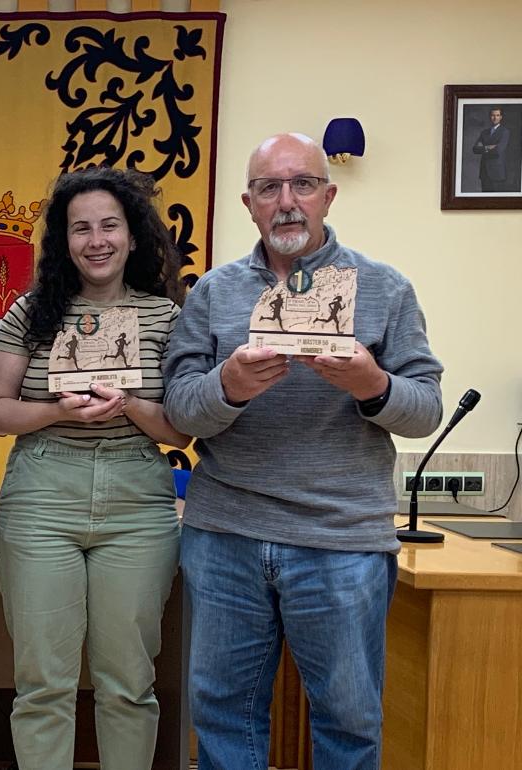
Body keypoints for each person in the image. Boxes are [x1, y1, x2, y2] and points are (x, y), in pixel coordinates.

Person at [164, 132, 443, 770]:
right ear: (249, 203)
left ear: (328, 195)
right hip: (226, 535)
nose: (287, 201)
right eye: (269, 188)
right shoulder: (212, 293)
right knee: (222, 715)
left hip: (342, 540)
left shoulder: (385, 288)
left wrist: (372, 385)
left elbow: (425, 409)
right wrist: (228, 387)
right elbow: (179, 411)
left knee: (348, 722)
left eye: (303, 185)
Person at [0, 166, 188, 769]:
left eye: (109, 226)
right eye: (81, 229)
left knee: (129, 683)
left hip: (137, 500)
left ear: (132, 235)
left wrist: (127, 404)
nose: (96, 241)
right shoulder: (31, 311)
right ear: (63, 241)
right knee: (43, 684)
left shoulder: (166, 316)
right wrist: (56, 410)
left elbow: (181, 429)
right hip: (43, 494)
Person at [472, 107, 511, 192]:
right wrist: (488, 147)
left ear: (501, 117)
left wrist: (483, 148)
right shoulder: (484, 132)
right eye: (493, 115)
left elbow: (498, 150)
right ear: (490, 117)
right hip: (484, 172)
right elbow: (475, 149)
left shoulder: (505, 132)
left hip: (497, 172)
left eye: (497, 115)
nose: (495, 118)